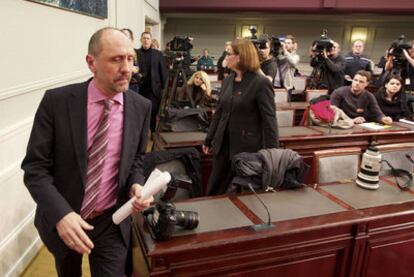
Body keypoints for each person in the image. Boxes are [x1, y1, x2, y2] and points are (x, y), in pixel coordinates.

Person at [21, 27, 153, 276]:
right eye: (116, 59)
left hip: (112, 221)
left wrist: (136, 184)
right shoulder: (57, 102)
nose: (127, 68)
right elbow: (35, 169)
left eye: (129, 58)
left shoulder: (141, 107)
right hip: (65, 220)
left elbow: (136, 159)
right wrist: (61, 215)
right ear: (91, 63)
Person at [202, 39, 279, 196]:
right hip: (223, 144)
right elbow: (220, 112)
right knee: (216, 187)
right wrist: (209, 139)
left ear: (241, 57)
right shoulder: (228, 80)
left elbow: (269, 121)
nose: (225, 58)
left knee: (241, 195)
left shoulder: (261, 83)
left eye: (229, 54)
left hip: (247, 149)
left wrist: (273, 155)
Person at [136, 31, 167, 133]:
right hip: (140, 88)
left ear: (151, 40)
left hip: (154, 89)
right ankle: (142, 132)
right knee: (141, 112)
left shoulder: (157, 54)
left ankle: (153, 130)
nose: (146, 40)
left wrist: (164, 87)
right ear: (141, 40)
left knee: (153, 111)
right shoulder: (136, 53)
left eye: (148, 38)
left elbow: (162, 71)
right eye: (144, 38)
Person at [120, 28, 141, 93]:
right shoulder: (114, 52)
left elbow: (138, 68)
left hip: (133, 86)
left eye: (125, 36)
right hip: (119, 84)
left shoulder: (136, 52)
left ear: (131, 39)